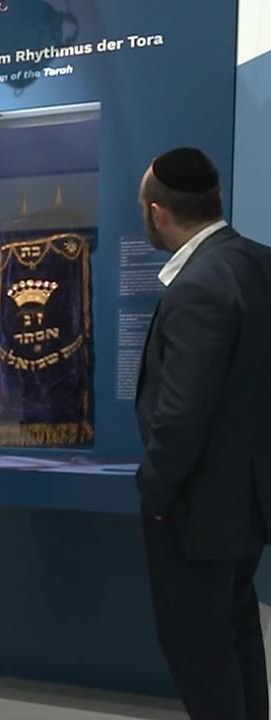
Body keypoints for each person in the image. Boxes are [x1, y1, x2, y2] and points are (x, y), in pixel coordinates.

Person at [135, 147, 271, 720]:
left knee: (202, 659)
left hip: (198, 512)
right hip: (246, 506)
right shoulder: (258, 262)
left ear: (158, 213)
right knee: (238, 642)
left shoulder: (199, 285)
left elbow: (182, 413)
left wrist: (156, 489)